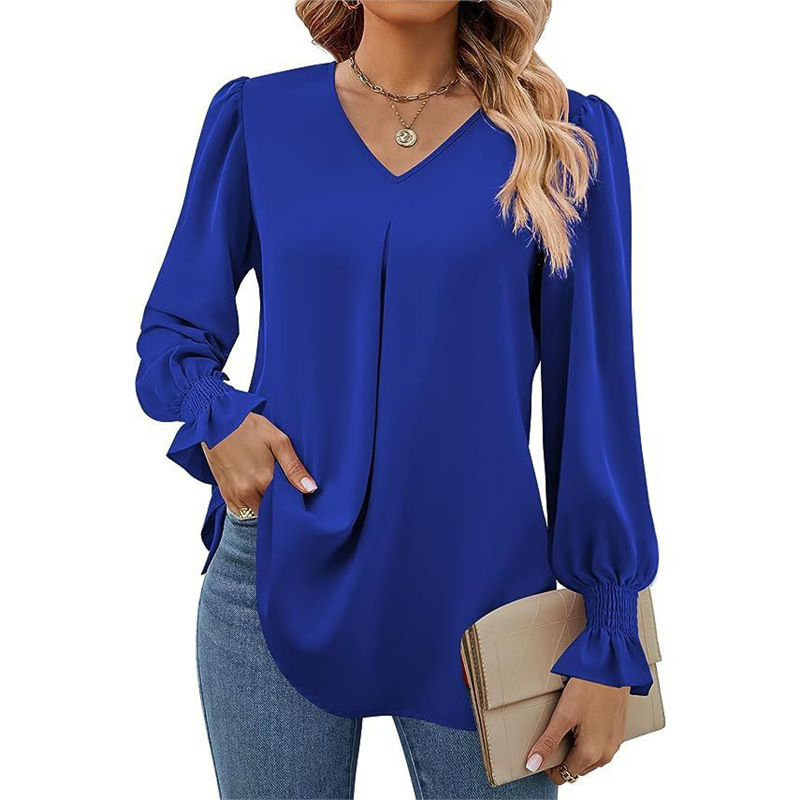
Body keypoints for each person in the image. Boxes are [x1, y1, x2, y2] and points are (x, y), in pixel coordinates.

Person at [134, 1, 660, 798]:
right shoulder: (257, 118)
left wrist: (610, 629)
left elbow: (596, 398)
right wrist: (218, 414)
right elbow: (174, 328)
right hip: (276, 573)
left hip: (485, 599)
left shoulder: (560, 135)